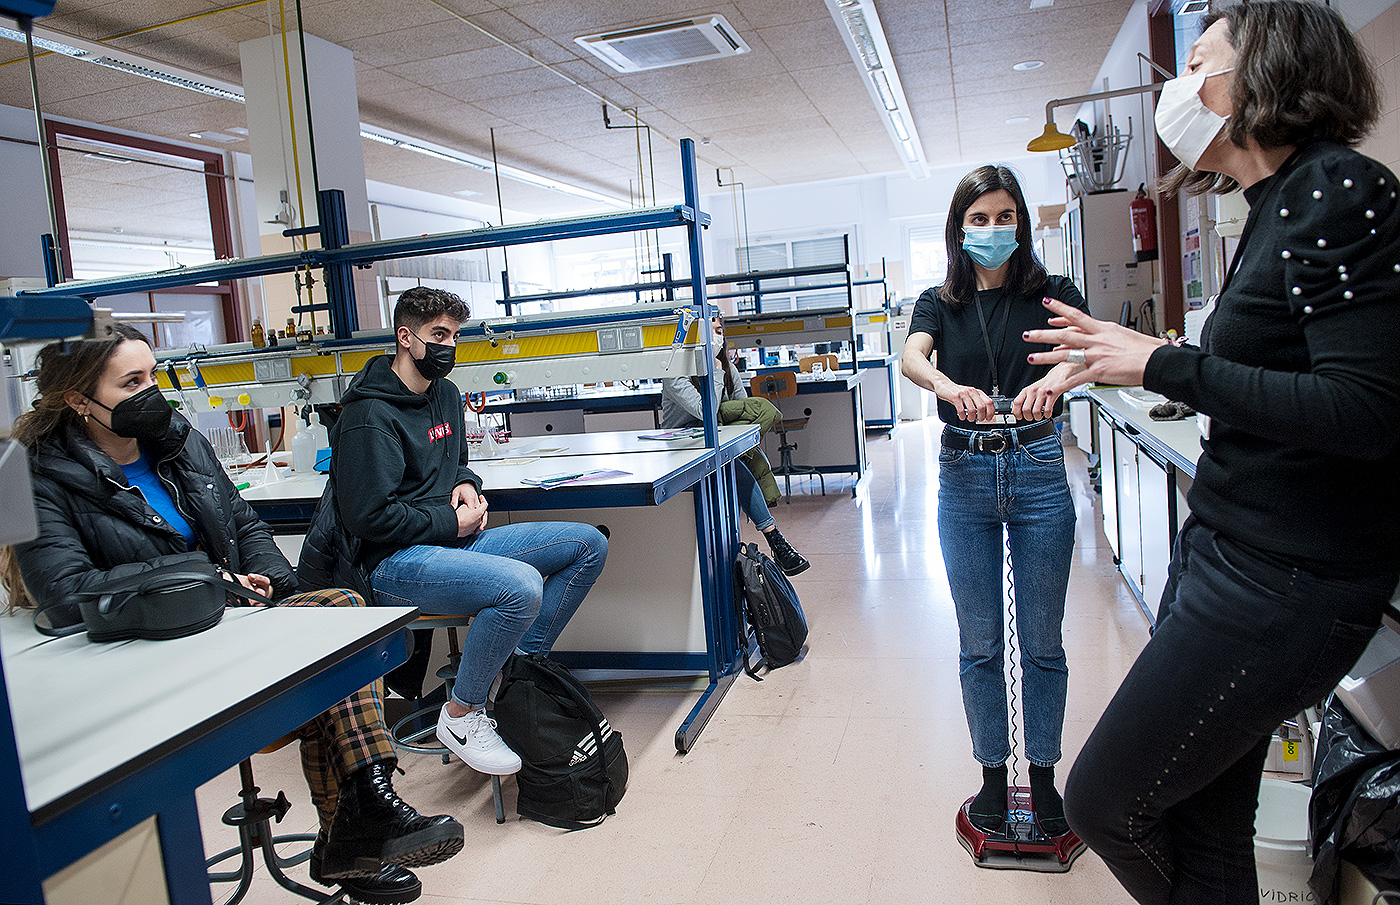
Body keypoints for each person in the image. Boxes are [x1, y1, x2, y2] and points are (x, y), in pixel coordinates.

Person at [1020, 5, 1400, 903]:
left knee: (1105, 802)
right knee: (1203, 817)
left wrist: (1163, 362)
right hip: (1231, 551)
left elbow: (1368, 409)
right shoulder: (1270, 203)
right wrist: (1149, 355)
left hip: (1286, 580)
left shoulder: (1340, 189)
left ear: (1264, 72)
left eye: (1197, 62)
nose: (1177, 88)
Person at [0, 325, 462, 903]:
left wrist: (280, 591)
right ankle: (355, 826)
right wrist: (210, 583)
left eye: (153, 376)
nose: (152, 396)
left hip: (232, 621)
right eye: (132, 383)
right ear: (77, 401)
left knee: (331, 626)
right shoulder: (38, 472)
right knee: (337, 621)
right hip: (150, 647)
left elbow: (243, 525)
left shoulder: (177, 441)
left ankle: (356, 826)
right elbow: (66, 594)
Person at [332, 287, 608, 777]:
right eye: (439, 334)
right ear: (405, 338)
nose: (449, 346)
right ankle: (461, 715)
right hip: (394, 561)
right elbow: (367, 518)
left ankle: (513, 675)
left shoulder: (445, 395)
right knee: (520, 588)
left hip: (452, 538)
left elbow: (456, 461)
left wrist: (465, 484)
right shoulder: (367, 417)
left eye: (455, 335)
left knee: (588, 543)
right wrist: (449, 521)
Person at [900, 165, 1088, 838]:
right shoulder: (938, 301)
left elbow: (1083, 349)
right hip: (965, 476)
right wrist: (949, 388)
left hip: (1038, 467)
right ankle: (989, 777)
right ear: (958, 229)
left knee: (1042, 642)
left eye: (1004, 216)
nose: (991, 230)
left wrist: (1057, 380)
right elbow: (912, 357)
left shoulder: (1053, 292)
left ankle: (1041, 777)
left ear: (1022, 224)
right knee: (980, 642)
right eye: (977, 219)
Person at [660, 316, 810, 575]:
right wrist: (716, 370)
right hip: (681, 446)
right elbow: (703, 410)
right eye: (711, 332)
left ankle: (773, 538)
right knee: (735, 467)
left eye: (720, 331)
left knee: (738, 461)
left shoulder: (730, 369)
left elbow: (743, 411)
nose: (717, 337)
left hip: (715, 443)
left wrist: (722, 369)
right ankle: (775, 538)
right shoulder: (675, 372)